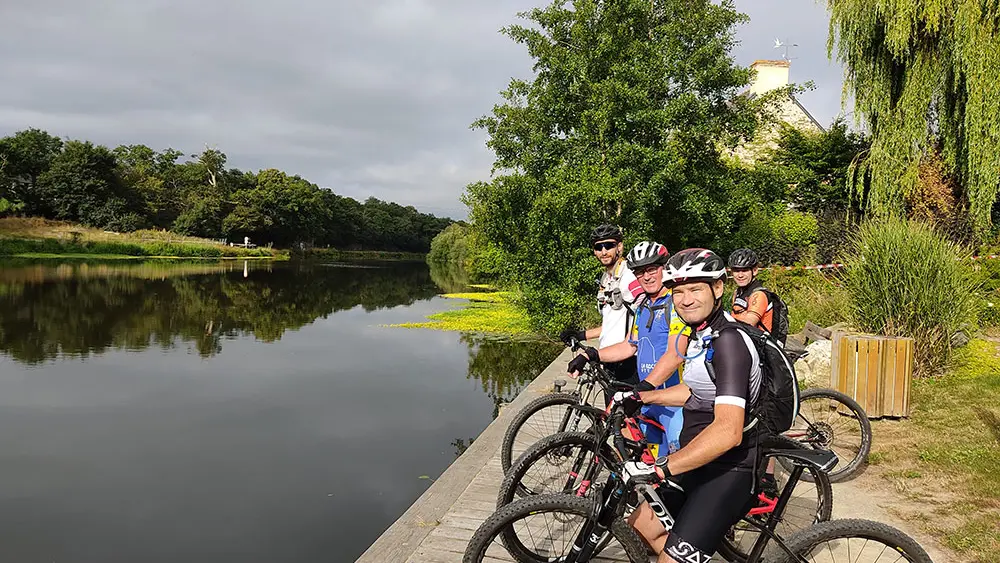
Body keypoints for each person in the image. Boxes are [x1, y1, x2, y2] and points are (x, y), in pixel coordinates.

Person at [612, 248, 762, 562]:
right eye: (678, 292)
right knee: (639, 527)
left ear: (718, 288)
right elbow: (695, 392)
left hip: (727, 469)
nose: (685, 299)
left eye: (695, 289)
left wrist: (661, 467)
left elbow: (728, 430)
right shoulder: (701, 336)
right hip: (696, 460)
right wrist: (641, 397)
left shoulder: (730, 343)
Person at [568, 240, 690, 457]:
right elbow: (629, 346)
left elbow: (675, 355)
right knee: (645, 466)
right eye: (640, 272)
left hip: (674, 405)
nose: (647, 276)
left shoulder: (676, 305)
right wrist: (591, 354)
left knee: (677, 476)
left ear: (665, 268)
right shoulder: (643, 307)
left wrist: (643, 387)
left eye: (652, 269)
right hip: (648, 402)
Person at [560, 224, 643, 385]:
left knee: (627, 410)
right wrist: (581, 335)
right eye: (599, 247)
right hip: (608, 357)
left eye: (609, 245)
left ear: (619, 246)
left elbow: (646, 308)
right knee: (610, 409)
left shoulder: (629, 276)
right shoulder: (606, 278)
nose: (604, 251)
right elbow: (612, 324)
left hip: (627, 360)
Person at [728, 248, 773, 334]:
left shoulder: (759, 295)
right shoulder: (737, 292)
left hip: (760, 344)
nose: (740, 275)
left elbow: (748, 324)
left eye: (745, 270)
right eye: (736, 271)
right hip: (744, 338)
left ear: (755, 271)